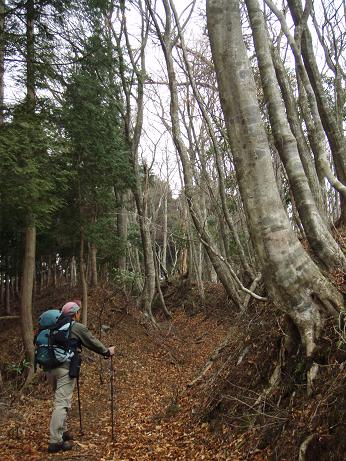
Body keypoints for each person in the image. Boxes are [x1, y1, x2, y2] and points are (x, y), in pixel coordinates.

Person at [46, 300, 115, 453]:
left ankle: (62, 433)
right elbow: (92, 342)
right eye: (78, 312)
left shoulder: (54, 327)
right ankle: (55, 442)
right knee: (62, 403)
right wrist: (107, 351)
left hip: (51, 369)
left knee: (61, 401)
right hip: (65, 369)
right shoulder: (76, 327)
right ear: (75, 314)